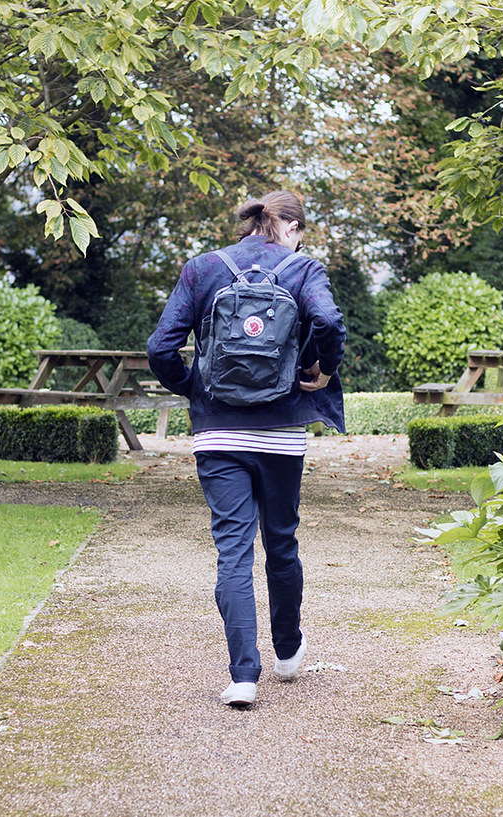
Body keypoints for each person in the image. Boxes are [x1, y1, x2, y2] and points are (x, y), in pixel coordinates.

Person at [147, 191, 346, 707]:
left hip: (218, 433)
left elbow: (159, 348)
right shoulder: (303, 269)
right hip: (282, 434)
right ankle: (287, 649)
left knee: (232, 551)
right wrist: (321, 370)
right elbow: (327, 322)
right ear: (293, 227)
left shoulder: (202, 269)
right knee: (281, 542)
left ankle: (242, 677)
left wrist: (194, 386)